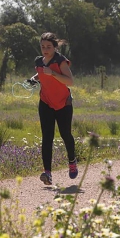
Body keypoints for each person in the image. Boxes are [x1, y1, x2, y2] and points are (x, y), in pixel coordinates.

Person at [28, 32, 78, 185]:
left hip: (63, 104)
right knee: (47, 138)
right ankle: (47, 173)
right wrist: (34, 79)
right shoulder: (39, 61)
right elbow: (41, 73)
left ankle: (72, 160)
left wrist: (53, 74)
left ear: (55, 47)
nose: (45, 49)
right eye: (42, 46)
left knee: (65, 135)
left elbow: (70, 81)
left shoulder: (60, 61)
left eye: (48, 46)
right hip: (46, 103)